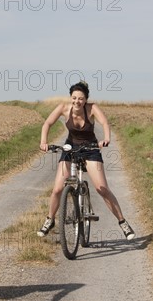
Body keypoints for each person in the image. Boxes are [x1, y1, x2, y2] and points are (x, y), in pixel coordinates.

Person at [38, 81, 135, 241]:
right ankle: (50, 220)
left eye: (81, 99)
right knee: (57, 189)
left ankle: (122, 222)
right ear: (71, 97)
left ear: (85, 99)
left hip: (90, 149)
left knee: (102, 188)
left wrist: (106, 138)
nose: (77, 101)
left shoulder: (92, 108)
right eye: (74, 98)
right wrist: (43, 142)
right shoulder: (63, 108)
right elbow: (47, 123)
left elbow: (104, 123)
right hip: (70, 148)